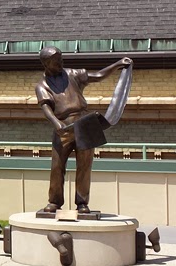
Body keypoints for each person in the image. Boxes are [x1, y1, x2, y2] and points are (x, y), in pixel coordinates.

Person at [36, 46, 131, 214]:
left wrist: (117, 64)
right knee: (57, 166)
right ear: (46, 64)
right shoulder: (42, 85)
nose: (61, 63)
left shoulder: (73, 74)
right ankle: (55, 201)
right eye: (56, 62)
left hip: (84, 123)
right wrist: (57, 124)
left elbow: (98, 76)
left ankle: (82, 202)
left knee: (85, 165)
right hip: (63, 127)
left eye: (61, 59)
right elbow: (46, 108)